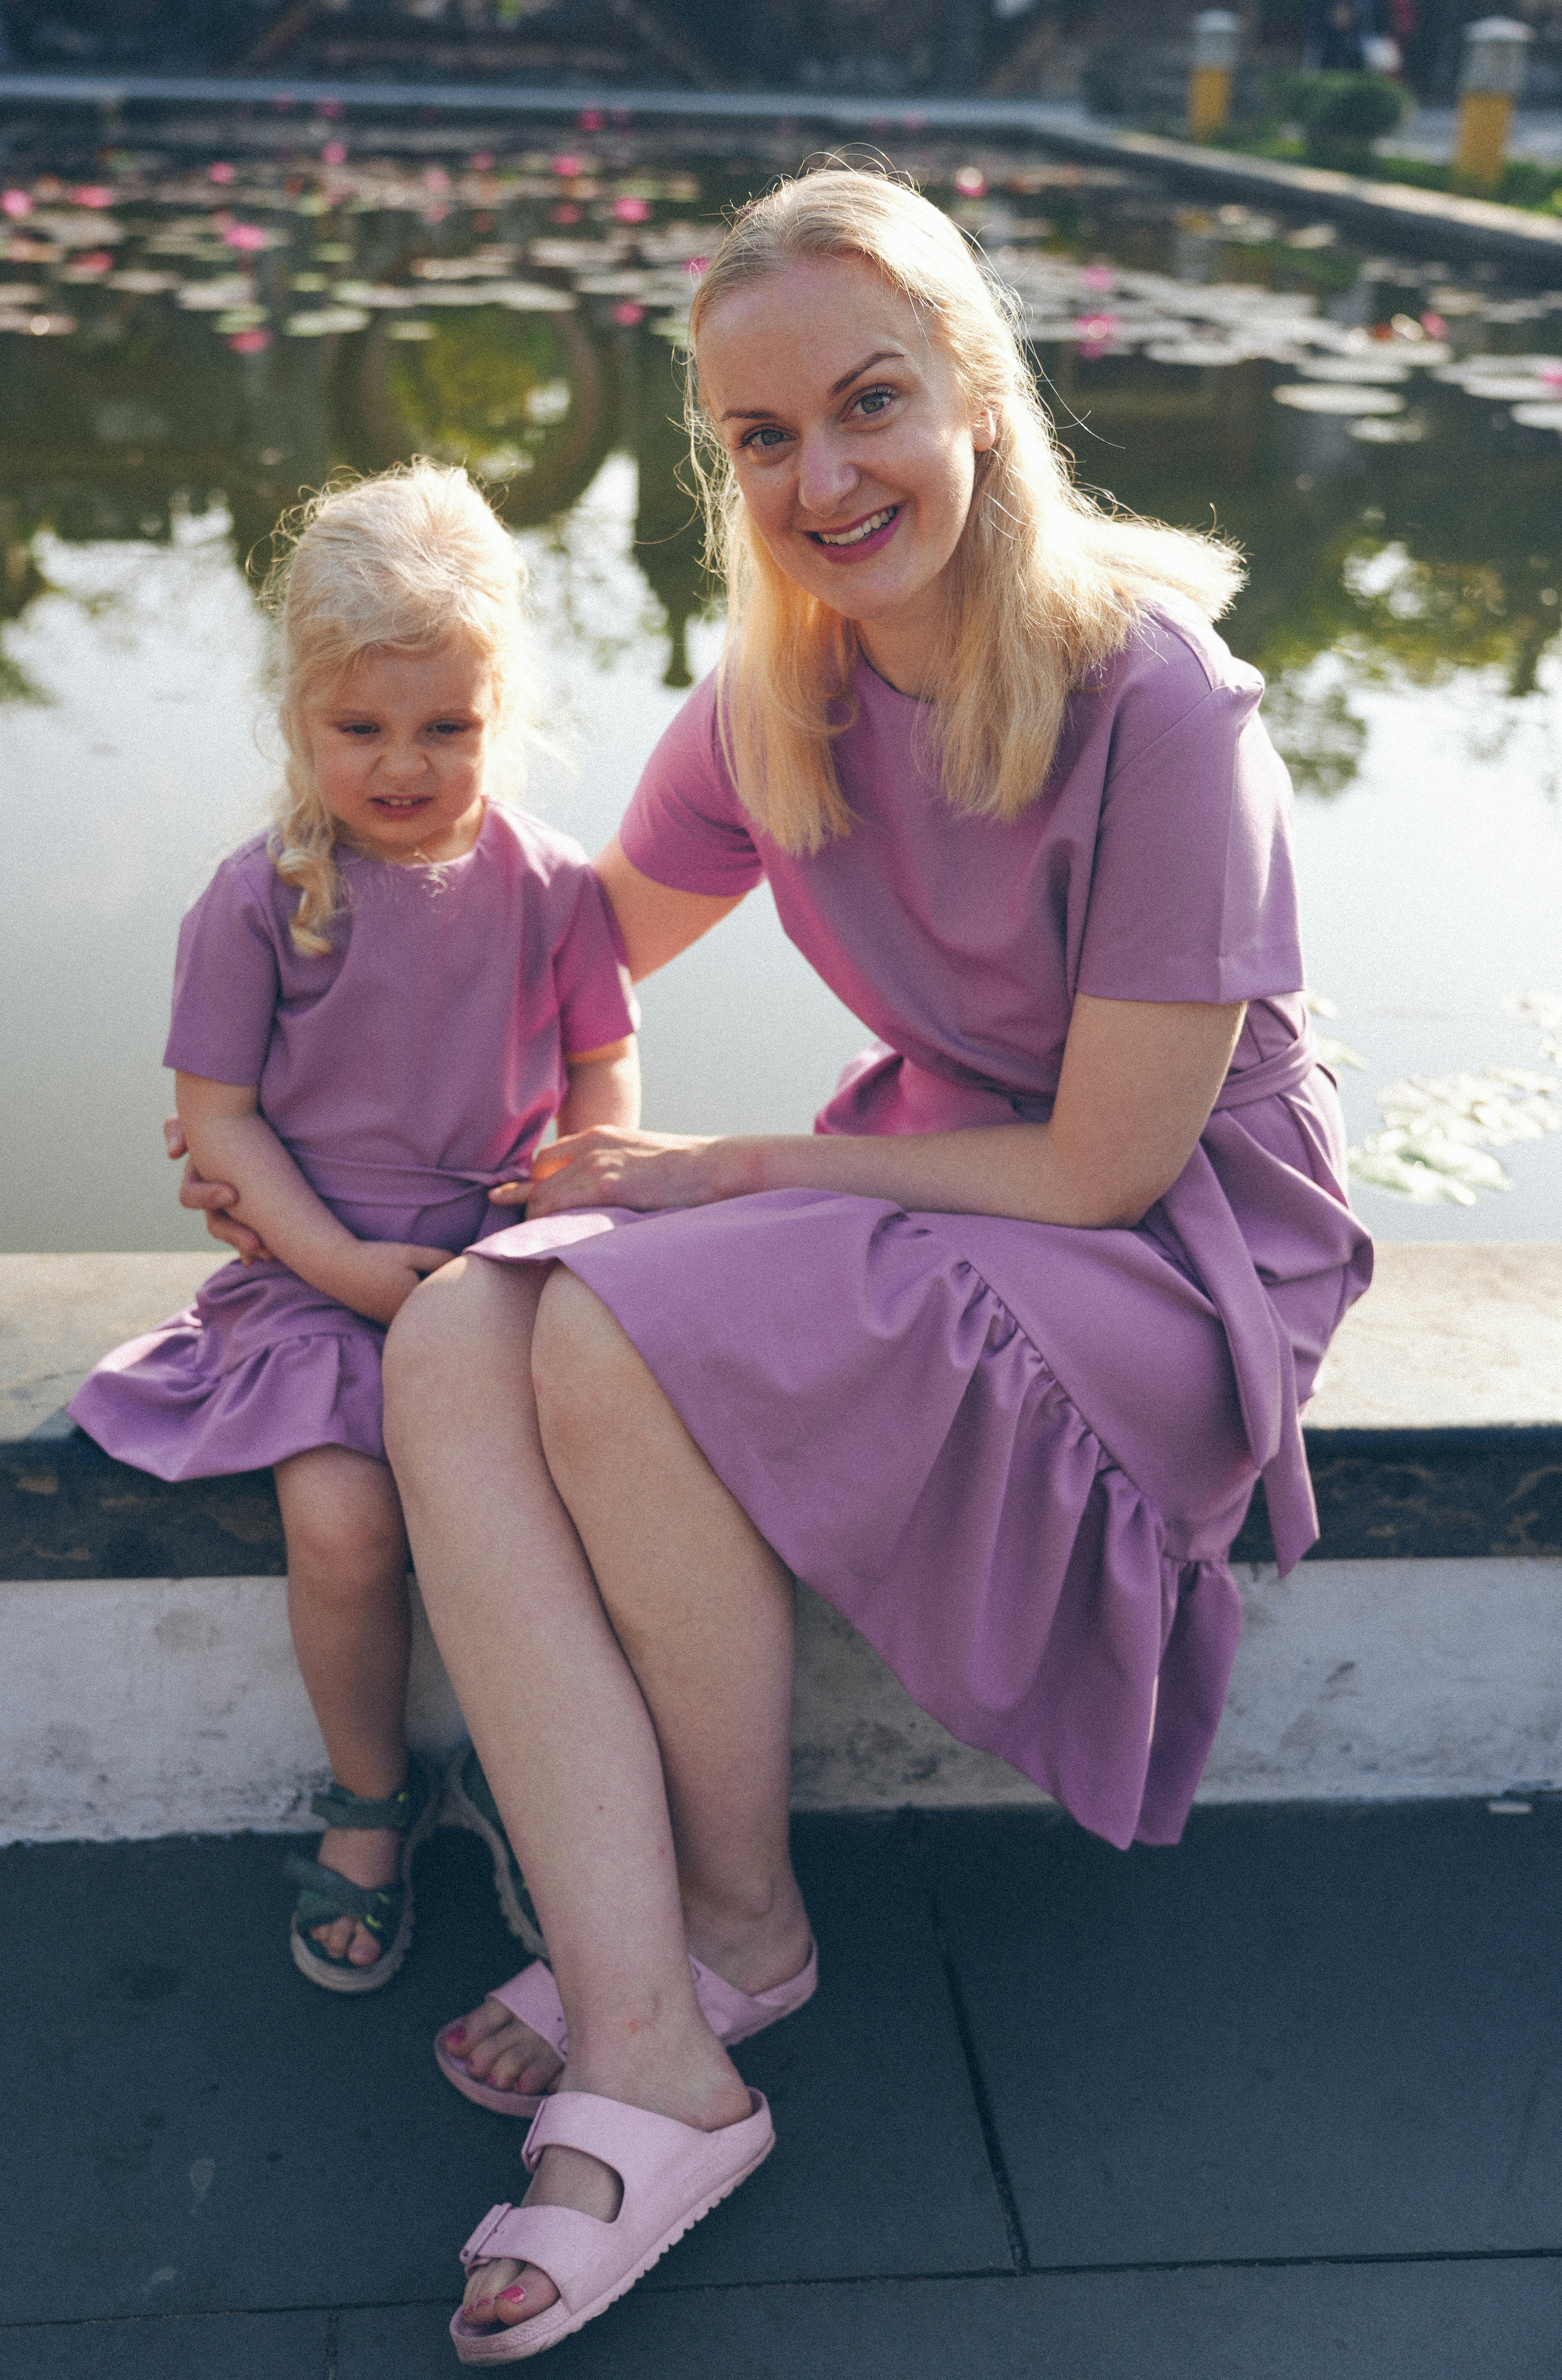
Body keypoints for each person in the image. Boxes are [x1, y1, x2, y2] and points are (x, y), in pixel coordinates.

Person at [197, 165, 1372, 2364]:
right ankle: (688, 1987)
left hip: (1166, 1250)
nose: (824, 480)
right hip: (938, 1179)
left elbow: (1116, 1165)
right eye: (762, 439)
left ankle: (700, 1984)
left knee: (627, 1321)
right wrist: (276, 1123)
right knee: (464, 1331)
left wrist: (733, 1171)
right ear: (723, 461)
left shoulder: (1166, 711)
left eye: (869, 405)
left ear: (976, 396)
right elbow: (543, 956)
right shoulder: (776, 696)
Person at [70, 459, 638, 1993]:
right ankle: (374, 1797)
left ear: (499, 711)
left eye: (446, 728)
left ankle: (561, 1800)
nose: (403, 764)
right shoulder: (258, 901)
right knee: (341, 1521)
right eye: (361, 729)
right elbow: (221, 1115)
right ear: (297, 718)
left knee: (576, 1509)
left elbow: (600, 1067)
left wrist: (578, 1176)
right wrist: (331, 1264)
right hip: (321, 1277)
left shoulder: (556, 888)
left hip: (503, 1268)